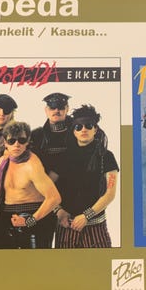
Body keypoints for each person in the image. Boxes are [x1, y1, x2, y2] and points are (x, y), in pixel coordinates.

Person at [0, 121, 62, 248]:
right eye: (12, 141)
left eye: (21, 140)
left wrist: (30, 221)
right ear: (5, 142)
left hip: (34, 215)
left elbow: (54, 198)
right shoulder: (2, 162)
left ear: (28, 141)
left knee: (34, 260)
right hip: (6, 216)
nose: (17, 144)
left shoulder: (32, 164)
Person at [54, 104, 119, 248]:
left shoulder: (106, 156)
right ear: (74, 131)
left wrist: (86, 216)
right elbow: (47, 188)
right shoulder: (63, 157)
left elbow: (110, 194)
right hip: (66, 227)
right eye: (78, 127)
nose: (83, 129)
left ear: (95, 129)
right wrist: (59, 211)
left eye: (88, 126)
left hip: (96, 229)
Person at [30, 92, 72, 184]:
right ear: (46, 110)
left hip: (73, 185)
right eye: (52, 107)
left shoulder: (78, 131)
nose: (56, 110)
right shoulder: (36, 135)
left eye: (60, 107)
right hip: (44, 186)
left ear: (67, 109)